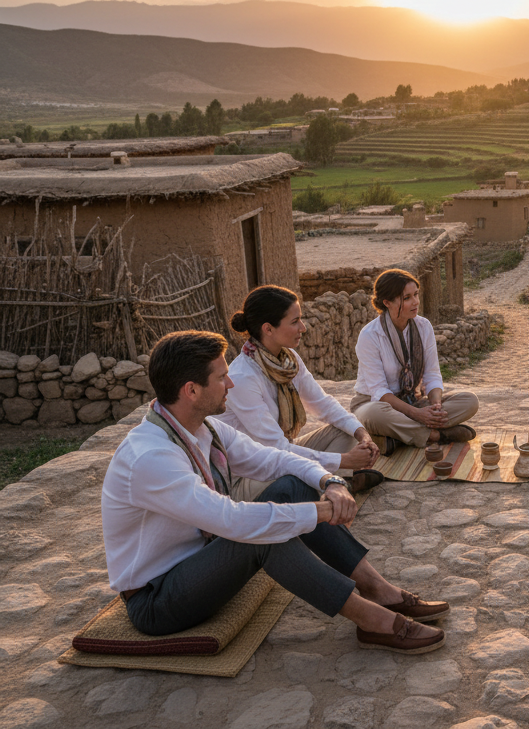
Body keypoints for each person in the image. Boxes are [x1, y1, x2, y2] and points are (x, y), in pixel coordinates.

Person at [101, 331, 450, 653]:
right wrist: (322, 511)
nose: (230, 383)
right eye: (221, 377)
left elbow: (272, 459)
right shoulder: (150, 458)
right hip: (158, 600)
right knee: (262, 535)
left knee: (291, 487)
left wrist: (330, 482)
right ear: (191, 390)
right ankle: (373, 621)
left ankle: (378, 589)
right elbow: (231, 520)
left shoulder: (203, 428)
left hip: (199, 563)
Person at [222, 285, 382, 499]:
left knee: (344, 430)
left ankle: (338, 483)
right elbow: (276, 449)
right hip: (249, 474)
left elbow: (322, 403)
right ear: (268, 329)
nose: (303, 328)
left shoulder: (289, 361)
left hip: (280, 454)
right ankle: (336, 483)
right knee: (294, 478)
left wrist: (362, 434)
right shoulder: (242, 378)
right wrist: (344, 460)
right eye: (295, 321)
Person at [351, 268, 479, 451]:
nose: (415, 302)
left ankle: (399, 437)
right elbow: (379, 391)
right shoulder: (370, 335)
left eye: (416, 295)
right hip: (376, 404)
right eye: (407, 298)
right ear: (387, 302)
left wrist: (435, 407)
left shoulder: (423, 326)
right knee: (375, 415)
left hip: (413, 400)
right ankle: (437, 435)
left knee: (470, 401)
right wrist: (417, 414)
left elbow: (432, 374)